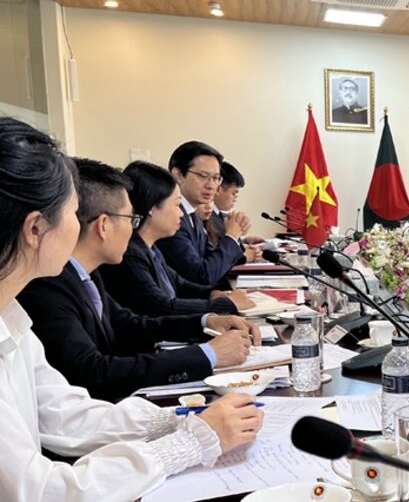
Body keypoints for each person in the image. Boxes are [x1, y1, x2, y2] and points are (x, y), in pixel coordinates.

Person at [0, 117, 262, 499]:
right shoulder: (38, 293)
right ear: (36, 228)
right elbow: (42, 491)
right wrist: (191, 442)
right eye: (74, 213)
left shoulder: (12, 316)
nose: (83, 225)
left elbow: (65, 415)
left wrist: (178, 421)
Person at [19, 158, 260, 402]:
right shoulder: (48, 286)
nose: (133, 229)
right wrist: (207, 354)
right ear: (103, 225)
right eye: (130, 219)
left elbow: (129, 324)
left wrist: (206, 321)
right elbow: (92, 371)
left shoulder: (85, 274)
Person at [101, 161, 257, 318]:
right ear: (152, 208)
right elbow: (161, 307)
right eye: (177, 205)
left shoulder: (151, 248)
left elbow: (180, 284)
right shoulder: (130, 253)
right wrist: (226, 304)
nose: (181, 214)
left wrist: (213, 294)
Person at [157, 141, 249, 285]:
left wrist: (236, 238)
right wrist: (231, 236)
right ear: (178, 175)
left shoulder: (193, 213)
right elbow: (202, 275)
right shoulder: (171, 217)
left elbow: (211, 259)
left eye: (216, 178)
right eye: (203, 176)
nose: (211, 185)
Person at [211, 161, 264, 248]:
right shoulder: (206, 216)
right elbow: (215, 249)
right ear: (218, 189)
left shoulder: (220, 215)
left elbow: (221, 240)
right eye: (234, 193)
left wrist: (243, 241)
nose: (236, 198)